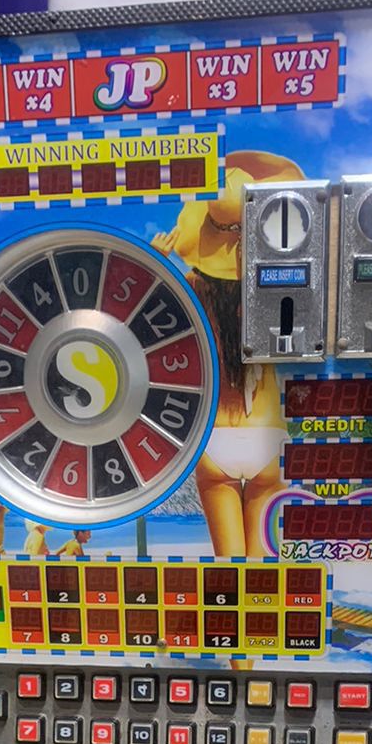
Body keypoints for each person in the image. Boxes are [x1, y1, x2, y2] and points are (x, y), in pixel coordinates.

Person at [152, 152, 302, 560]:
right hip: (267, 434)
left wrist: (158, 264)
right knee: (261, 574)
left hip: (214, 438)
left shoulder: (191, 291)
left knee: (229, 572)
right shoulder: (272, 294)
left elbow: (141, 324)